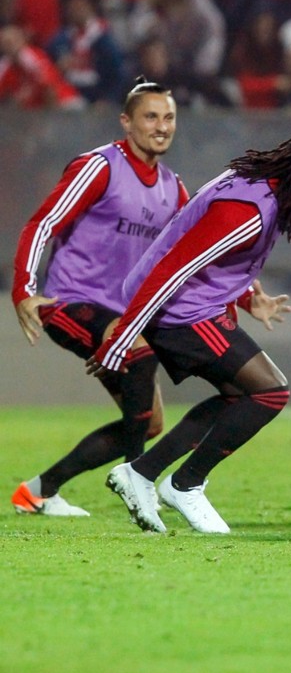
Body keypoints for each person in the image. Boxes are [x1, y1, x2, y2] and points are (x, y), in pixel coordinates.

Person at [89, 124, 291, 535]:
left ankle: (143, 473)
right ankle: (185, 484)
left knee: (240, 396)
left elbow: (209, 249)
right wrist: (124, 336)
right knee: (270, 392)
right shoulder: (250, 211)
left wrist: (250, 296)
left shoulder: (264, 189)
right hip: (177, 309)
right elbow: (175, 267)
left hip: (190, 304)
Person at [10, 79, 186, 516]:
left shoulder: (172, 188)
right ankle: (136, 480)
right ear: (127, 122)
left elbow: (193, 252)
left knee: (149, 423)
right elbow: (42, 223)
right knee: (143, 358)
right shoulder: (99, 167)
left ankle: (38, 491)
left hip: (121, 320)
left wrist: (245, 297)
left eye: (168, 118)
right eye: (150, 116)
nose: (161, 126)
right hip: (69, 302)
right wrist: (24, 290)